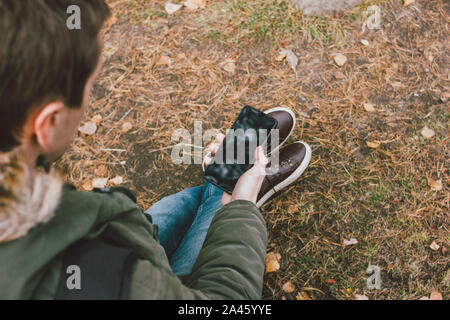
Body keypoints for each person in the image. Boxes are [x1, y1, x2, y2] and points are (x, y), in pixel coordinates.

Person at [0, 0, 310, 299]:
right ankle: (241, 191)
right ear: (48, 123)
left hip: (124, 237)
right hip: (142, 273)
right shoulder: (90, 278)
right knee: (223, 201)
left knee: (200, 199)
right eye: (89, 87)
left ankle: (221, 183)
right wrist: (240, 205)